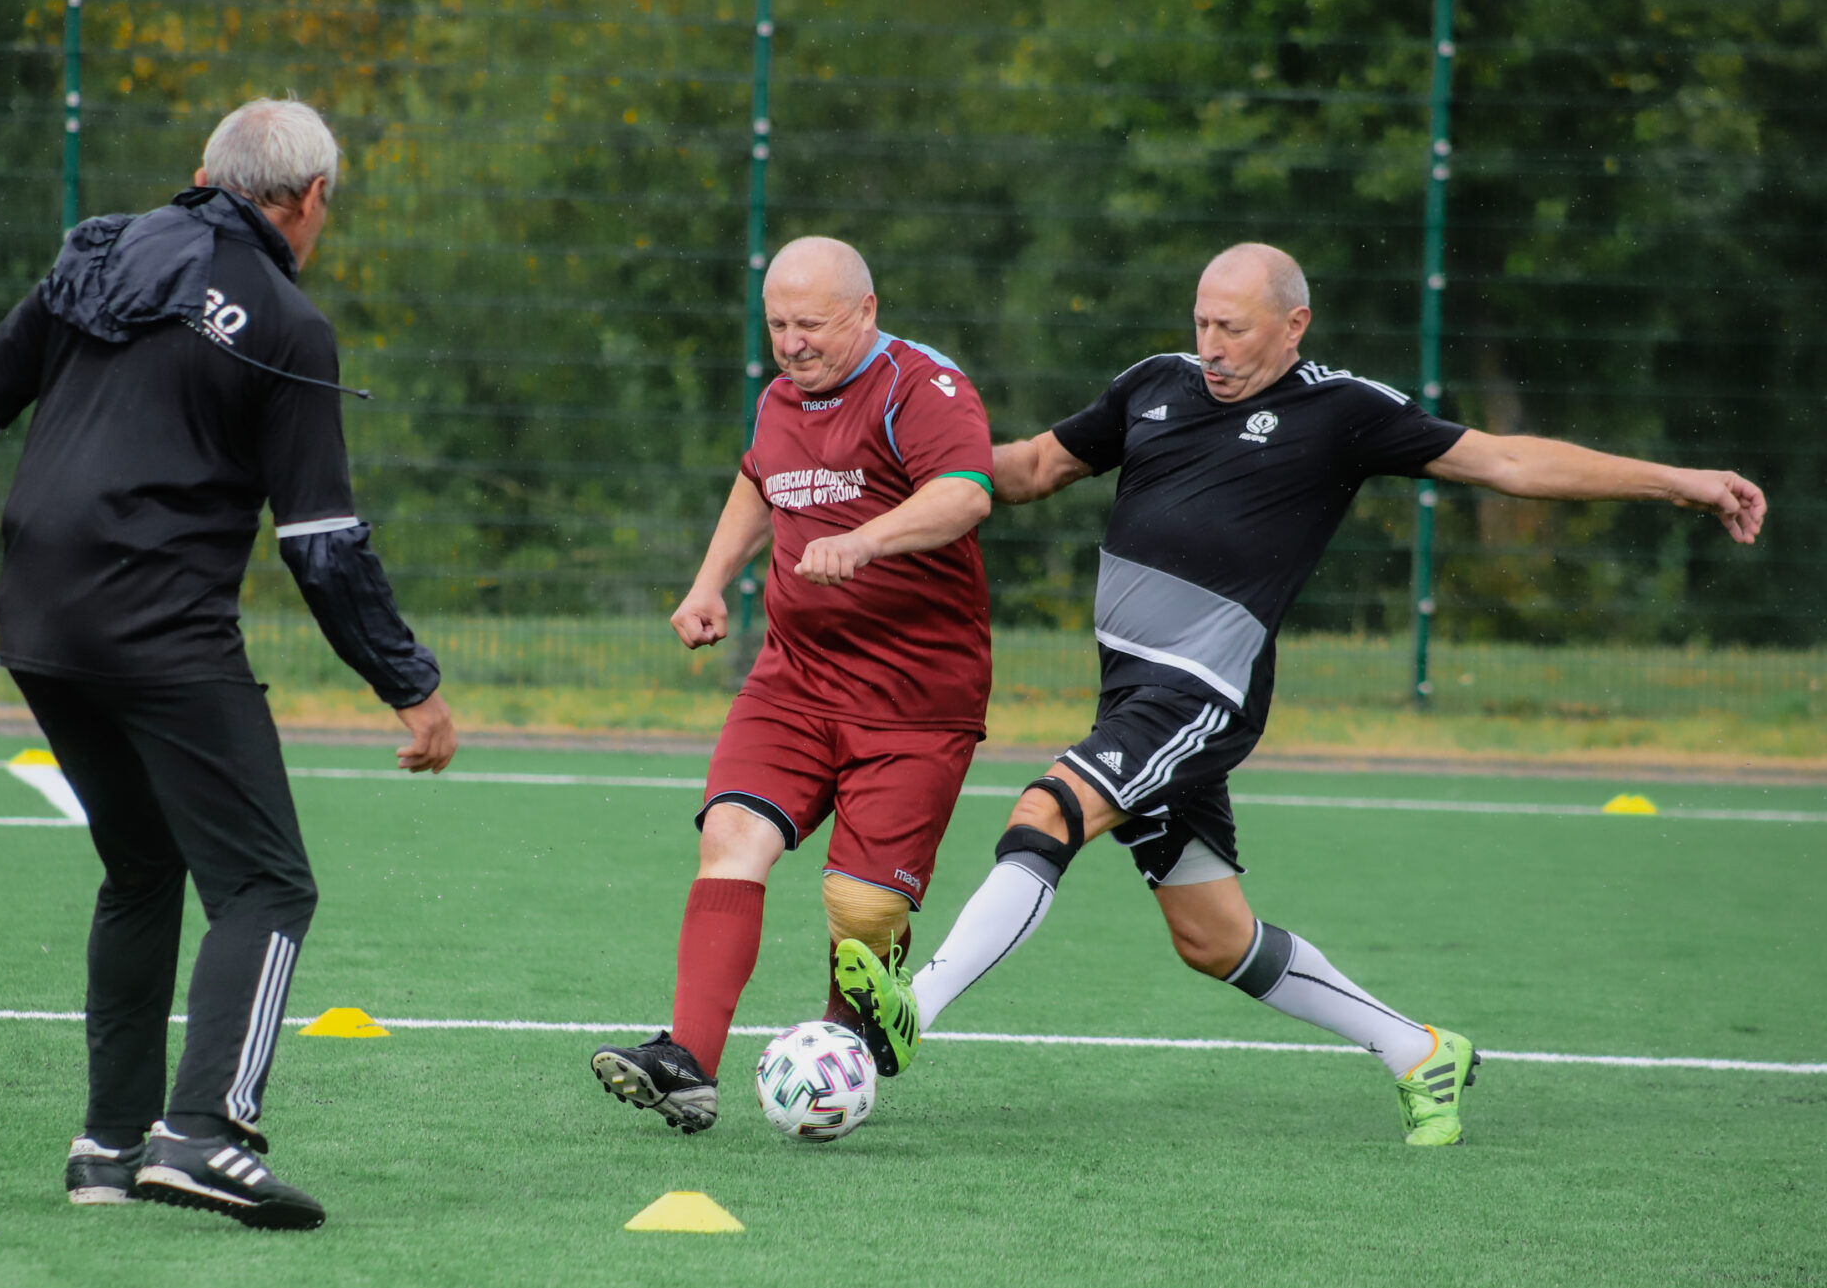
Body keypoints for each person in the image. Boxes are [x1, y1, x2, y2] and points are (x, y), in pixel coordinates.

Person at [834, 241, 1766, 1146]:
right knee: (1212, 938)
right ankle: (1421, 1052)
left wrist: (1675, 484)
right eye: (1201, 322)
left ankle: (919, 1007)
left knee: (1048, 814)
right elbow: (1034, 467)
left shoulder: (1343, 412)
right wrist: (914, 482)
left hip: (1202, 691)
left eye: (1232, 328)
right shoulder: (1154, 384)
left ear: (1294, 325)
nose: (1211, 346)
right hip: (1133, 696)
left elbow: (1508, 463)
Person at [0, 98, 458, 1225]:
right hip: (160, 629)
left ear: (201, 175)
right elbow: (322, 545)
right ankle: (205, 1134)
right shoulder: (284, 321)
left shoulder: (98, 252)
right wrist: (409, 683)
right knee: (268, 884)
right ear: (311, 199)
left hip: (35, 622)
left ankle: (107, 1147)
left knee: (140, 870)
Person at [590, 236, 996, 1131]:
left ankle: (844, 1041)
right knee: (732, 833)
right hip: (795, 683)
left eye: (811, 324)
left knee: (862, 906)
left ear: (867, 311)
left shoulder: (919, 387)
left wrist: (867, 538)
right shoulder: (781, 399)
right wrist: (708, 583)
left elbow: (966, 493)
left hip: (916, 704)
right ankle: (687, 1061)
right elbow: (756, 482)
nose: (793, 343)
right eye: (777, 325)